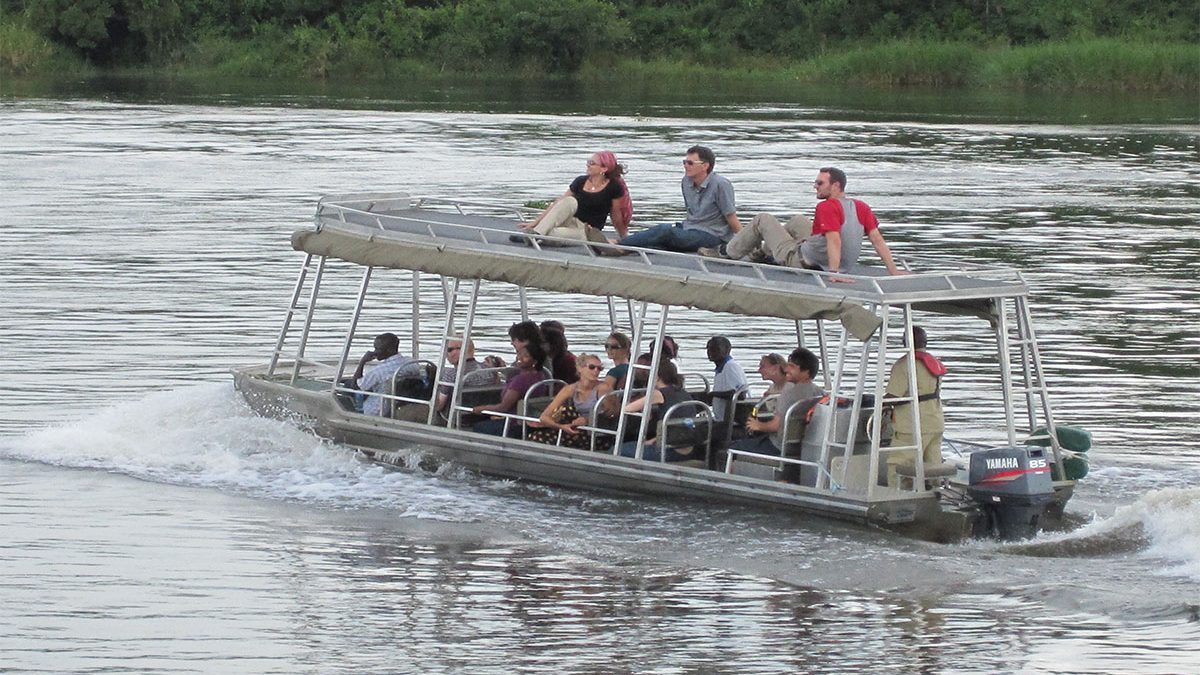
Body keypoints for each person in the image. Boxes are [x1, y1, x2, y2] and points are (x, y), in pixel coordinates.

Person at [699, 167, 905, 278]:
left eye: (820, 183)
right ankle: (761, 253)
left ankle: (727, 253)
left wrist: (833, 274)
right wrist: (893, 271)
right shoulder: (861, 206)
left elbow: (834, 240)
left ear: (836, 186)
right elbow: (877, 240)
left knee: (763, 219)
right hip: (838, 261)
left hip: (804, 261)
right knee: (798, 221)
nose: (815, 186)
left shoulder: (826, 207)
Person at [617, 145, 742, 252]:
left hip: (713, 234)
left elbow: (731, 217)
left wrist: (745, 243)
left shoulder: (721, 184)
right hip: (689, 227)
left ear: (705, 166)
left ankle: (619, 245)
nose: (686, 166)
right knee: (659, 242)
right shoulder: (686, 182)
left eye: (690, 163)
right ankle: (626, 250)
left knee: (664, 231)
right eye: (685, 162)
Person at [518, 151, 632, 241]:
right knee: (569, 201)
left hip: (587, 229)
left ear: (604, 169)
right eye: (588, 162)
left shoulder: (614, 187)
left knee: (554, 233)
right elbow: (559, 203)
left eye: (592, 163)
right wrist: (535, 222)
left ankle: (536, 236)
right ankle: (537, 234)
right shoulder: (580, 181)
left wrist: (624, 236)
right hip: (570, 221)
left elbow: (615, 215)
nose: (588, 165)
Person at [728, 348, 823, 456]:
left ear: (806, 372)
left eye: (792, 367)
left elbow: (775, 426)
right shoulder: (819, 393)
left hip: (778, 446)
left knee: (731, 448)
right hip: (800, 445)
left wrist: (757, 425)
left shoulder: (789, 394)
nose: (786, 369)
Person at [884, 326, 947, 487]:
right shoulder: (934, 363)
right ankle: (935, 495)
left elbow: (893, 397)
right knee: (933, 466)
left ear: (904, 342)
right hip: (935, 422)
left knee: (898, 466)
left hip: (911, 426)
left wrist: (880, 403)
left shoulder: (904, 365)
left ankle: (897, 499)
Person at [617, 360, 695, 461]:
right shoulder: (682, 392)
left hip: (669, 451)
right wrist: (653, 440)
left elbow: (627, 409)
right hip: (686, 448)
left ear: (657, 377)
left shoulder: (658, 394)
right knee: (641, 444)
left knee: (617, 449)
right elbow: (675, 429)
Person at [472, 342, 550, 437]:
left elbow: (503, 407)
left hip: (514, 424)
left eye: (526, 356)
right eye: (519, 353)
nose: (519, 358)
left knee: (477, 426)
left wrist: (481, 408)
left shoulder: (521, 380)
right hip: (527, 420)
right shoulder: (540, 375)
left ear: (535, 361)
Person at [528, 353, 605, 449]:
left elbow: (612, 414)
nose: (596, 371)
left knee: (567, 413)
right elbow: (544, 417)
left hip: (597, 432)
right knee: (536, 436)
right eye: (592, 367)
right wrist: (561, 427)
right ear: (580, 368)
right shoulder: (570, 389)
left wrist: (587, 420)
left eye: (600, 368)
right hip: (576, 429)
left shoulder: (603, 388)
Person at [353, 332, 420, 416]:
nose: (375, 352)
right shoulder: (411, 362)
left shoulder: (378, 371)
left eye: (377, 349)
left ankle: (352, 413)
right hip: (399, 401)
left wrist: (362, 362)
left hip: (378, 410)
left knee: (348, 386)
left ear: (389, 350)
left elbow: (356, 386)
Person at [437, 337, 493, 412]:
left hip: (458, 417)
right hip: (485, 414)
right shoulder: (490, 370)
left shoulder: (451, 374)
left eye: (449, 350)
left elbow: (439, 406)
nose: (446, 354)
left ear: (460, 350)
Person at [707, 335, 747, 424]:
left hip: (732, 423)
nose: (710, 352)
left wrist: (713, 394)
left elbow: (739, 394)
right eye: (708, 349)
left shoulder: (731, 366)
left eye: (715, 349)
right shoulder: (721, 369)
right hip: (720, 419)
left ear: (726, 350)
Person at [540, 320, 579, 384]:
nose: (539, 345)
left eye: (542, 342)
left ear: (552, 343)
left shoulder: (569, 361)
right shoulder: (543, 358)